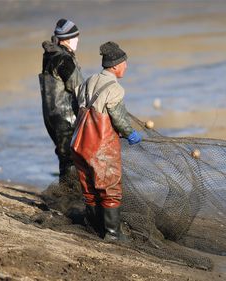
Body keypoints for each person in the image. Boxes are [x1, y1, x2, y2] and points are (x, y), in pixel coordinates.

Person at [73, 41, 142, 241]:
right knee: (110, 188)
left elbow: (76, 102)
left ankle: (95, 228)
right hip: (100, 147)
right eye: (124, 63)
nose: (126, 66)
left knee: (90, 188)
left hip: (79, 143)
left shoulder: (89, 80)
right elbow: (119, 118)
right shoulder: (115, 88)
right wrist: (130, 134)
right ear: (115, 66)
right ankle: (112, 234)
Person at [39, 18, 84, 183]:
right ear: (67, 39)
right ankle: (69, 202)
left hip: (50, 116)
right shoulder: (64, 59)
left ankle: (67, 197)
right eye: (76, 37)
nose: (78, 40)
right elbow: (79, 87)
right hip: (65, 117)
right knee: (71, 159)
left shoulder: (50, 55)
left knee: (65, 156)